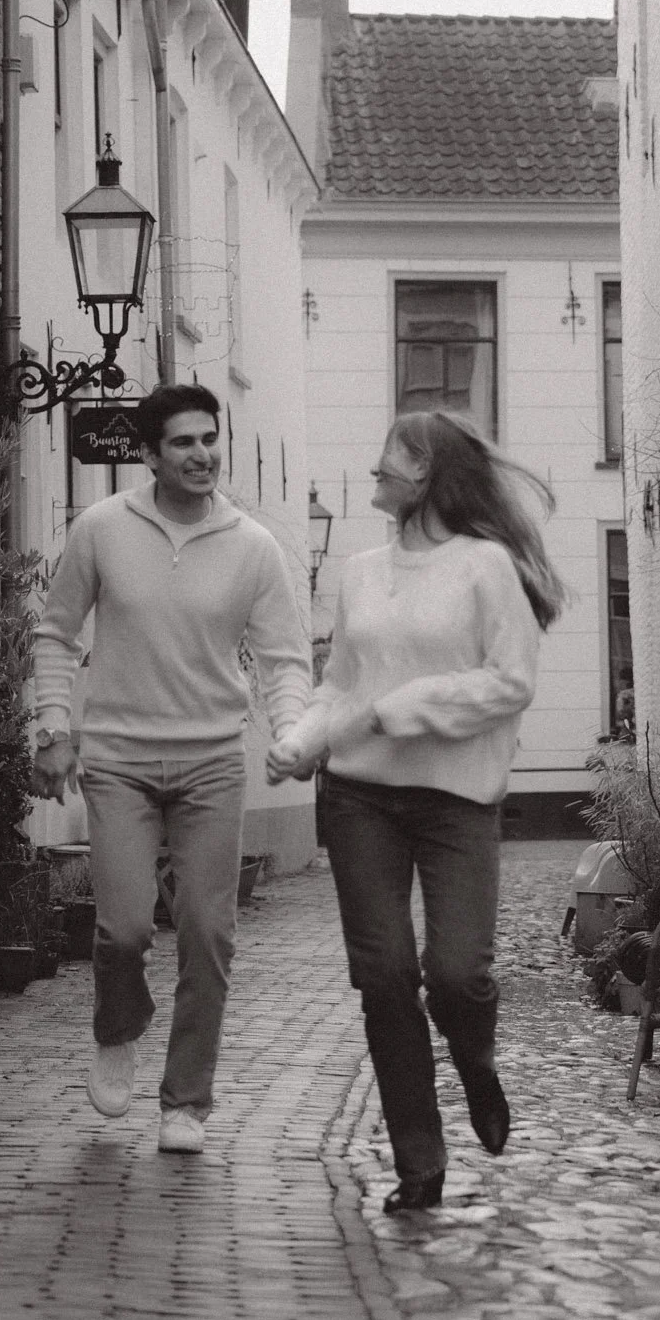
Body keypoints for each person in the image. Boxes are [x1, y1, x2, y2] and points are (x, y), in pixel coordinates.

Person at [266, 410, 564, 1213]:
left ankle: (476, 1059)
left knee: (455, 975)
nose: (372, 473)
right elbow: (341, 684)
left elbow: (510, 683)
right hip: (359, 797)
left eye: (387, 462)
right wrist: (300, 739)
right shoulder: (359, 571)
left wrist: (410, 704)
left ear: (428, 473)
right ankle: (418, 1161)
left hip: (458, 801)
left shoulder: (486, 568)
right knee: (386, 978)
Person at [31, 382, 312, 1153]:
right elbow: (55, 634)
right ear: (149, 454)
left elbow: (285, 657)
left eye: (209, 439)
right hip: (117, 757)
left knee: (207, 931)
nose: (202, 455)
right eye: (183, 442)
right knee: (122, 931)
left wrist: (290, 730)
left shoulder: (252, 546)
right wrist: (55, 725)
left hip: (211, 762)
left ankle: (186, 1102)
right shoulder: (101, 530)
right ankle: (118, 1028)